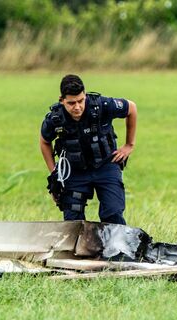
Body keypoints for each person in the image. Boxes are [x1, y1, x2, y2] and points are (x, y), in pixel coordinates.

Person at [39, 74, 137, 225]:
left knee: (112, 214)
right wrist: (55, 174)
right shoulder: (55, 118)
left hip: (106, 165)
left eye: (80, 101)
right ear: (62, 100)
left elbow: (131, 108)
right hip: (75, 171)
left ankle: (116, 248)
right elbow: (45, 141)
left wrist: (129, 145)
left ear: (85, 95)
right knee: (73, 221)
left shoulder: (102, 105)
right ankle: (80, 248)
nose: (77, 107)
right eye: (71, 103)